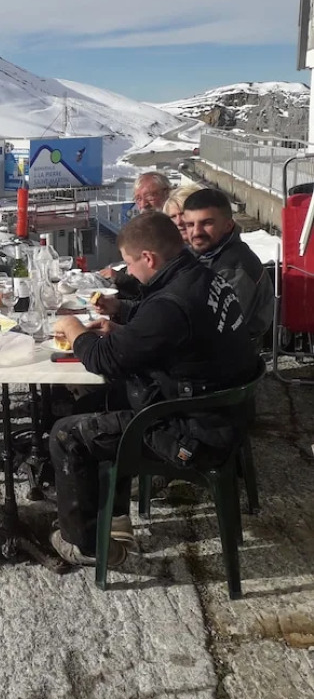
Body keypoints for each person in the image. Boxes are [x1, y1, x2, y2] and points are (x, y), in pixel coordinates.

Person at [48, 211, 257, 569]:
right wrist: (123, 314)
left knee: (67, 435)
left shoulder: (171, 303)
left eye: (130, 264)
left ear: (148, 258)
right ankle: (111, 516)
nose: (129, 273)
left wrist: (72, 328)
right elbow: (169, 323)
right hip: (218, 410)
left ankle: (85, 545)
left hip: (193, 434)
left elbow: (103, 360)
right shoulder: (200, 276)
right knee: (93, 404)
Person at [181, 188, 274, 345]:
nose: (196, 232)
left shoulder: (236, 268)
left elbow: (222, 328)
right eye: (190, 224)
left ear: (228, 225)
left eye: (207, 223)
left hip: (228, 353)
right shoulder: (198, 254)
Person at [101, 171, 173, 297]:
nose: (144, 204)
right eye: (138, 199)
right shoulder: (148, 228)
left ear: (167, 193)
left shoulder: (176, 230)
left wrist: (120, 278)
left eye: (150, 196)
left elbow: (157, 287)